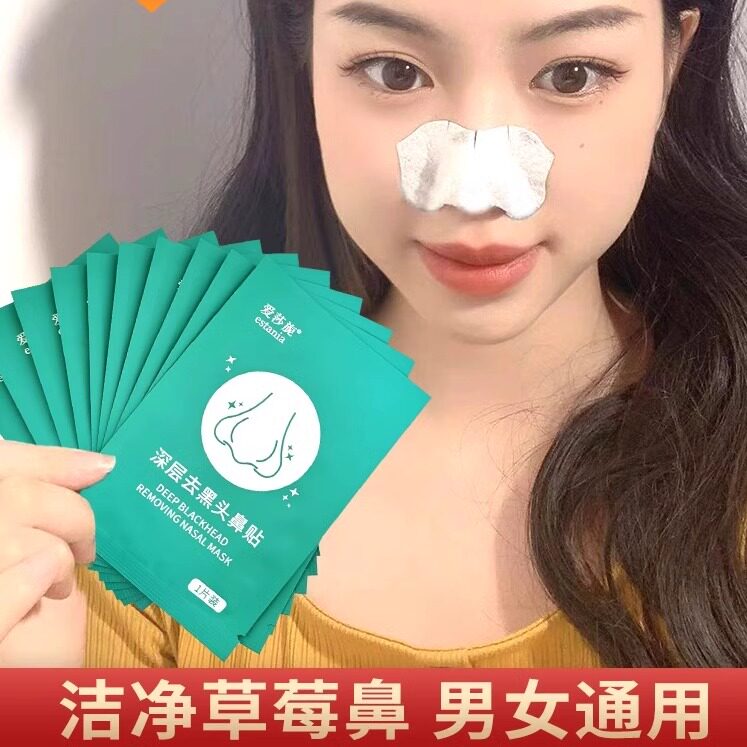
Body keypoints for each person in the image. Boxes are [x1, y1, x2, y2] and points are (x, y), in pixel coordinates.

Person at [1, 0, 746, 668]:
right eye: (395, 72)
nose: (474, 191)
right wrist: (34, 685)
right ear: (305, 63)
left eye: (572, 76)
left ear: (672, 60)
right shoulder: (132, 479)